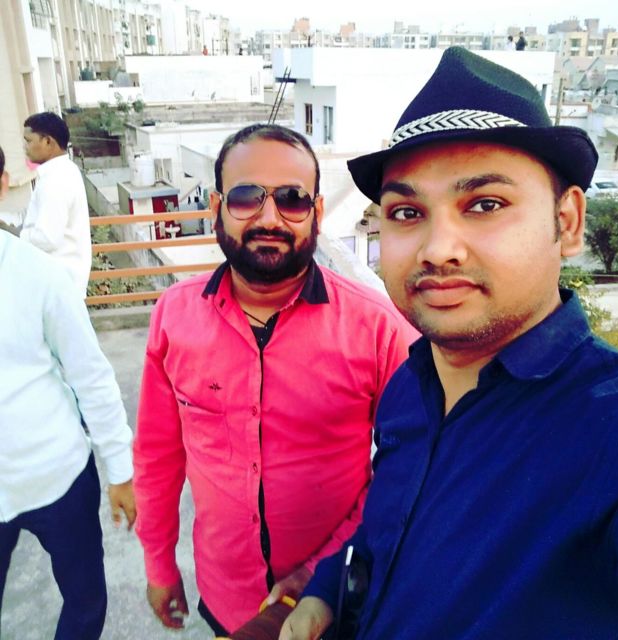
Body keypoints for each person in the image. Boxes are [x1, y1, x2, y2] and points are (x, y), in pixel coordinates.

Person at [281, 46, 618, 640]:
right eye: (406, 212)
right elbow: (388, 531)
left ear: (568, 222)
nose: (437, 248)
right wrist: (324, 592)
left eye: (485, 204)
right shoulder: (410, 385)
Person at [133, 124, 417, 635]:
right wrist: (159, 565)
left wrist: (321, 571)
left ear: (317, 212)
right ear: (216, 207)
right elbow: (158, 455)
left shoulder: (378, 329)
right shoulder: (174, 317)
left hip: (338, 599)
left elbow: (414, 466)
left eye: (291, 199)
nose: (269, 218)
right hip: (224, 594)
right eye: (246, 197)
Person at [0, 144, 136, 639]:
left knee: (85, 600)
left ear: (0, 185)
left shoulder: (37, 274)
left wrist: (120, 470)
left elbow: (90, 374)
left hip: (59, 475)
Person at [20, 112, 91, 295]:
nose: (24, 147)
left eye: (28, 141)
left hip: (58, 286)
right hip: (63, 284)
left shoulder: (56, 180)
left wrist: (18, 236)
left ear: (47, 142)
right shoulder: (65, 171)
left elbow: (47, 238)